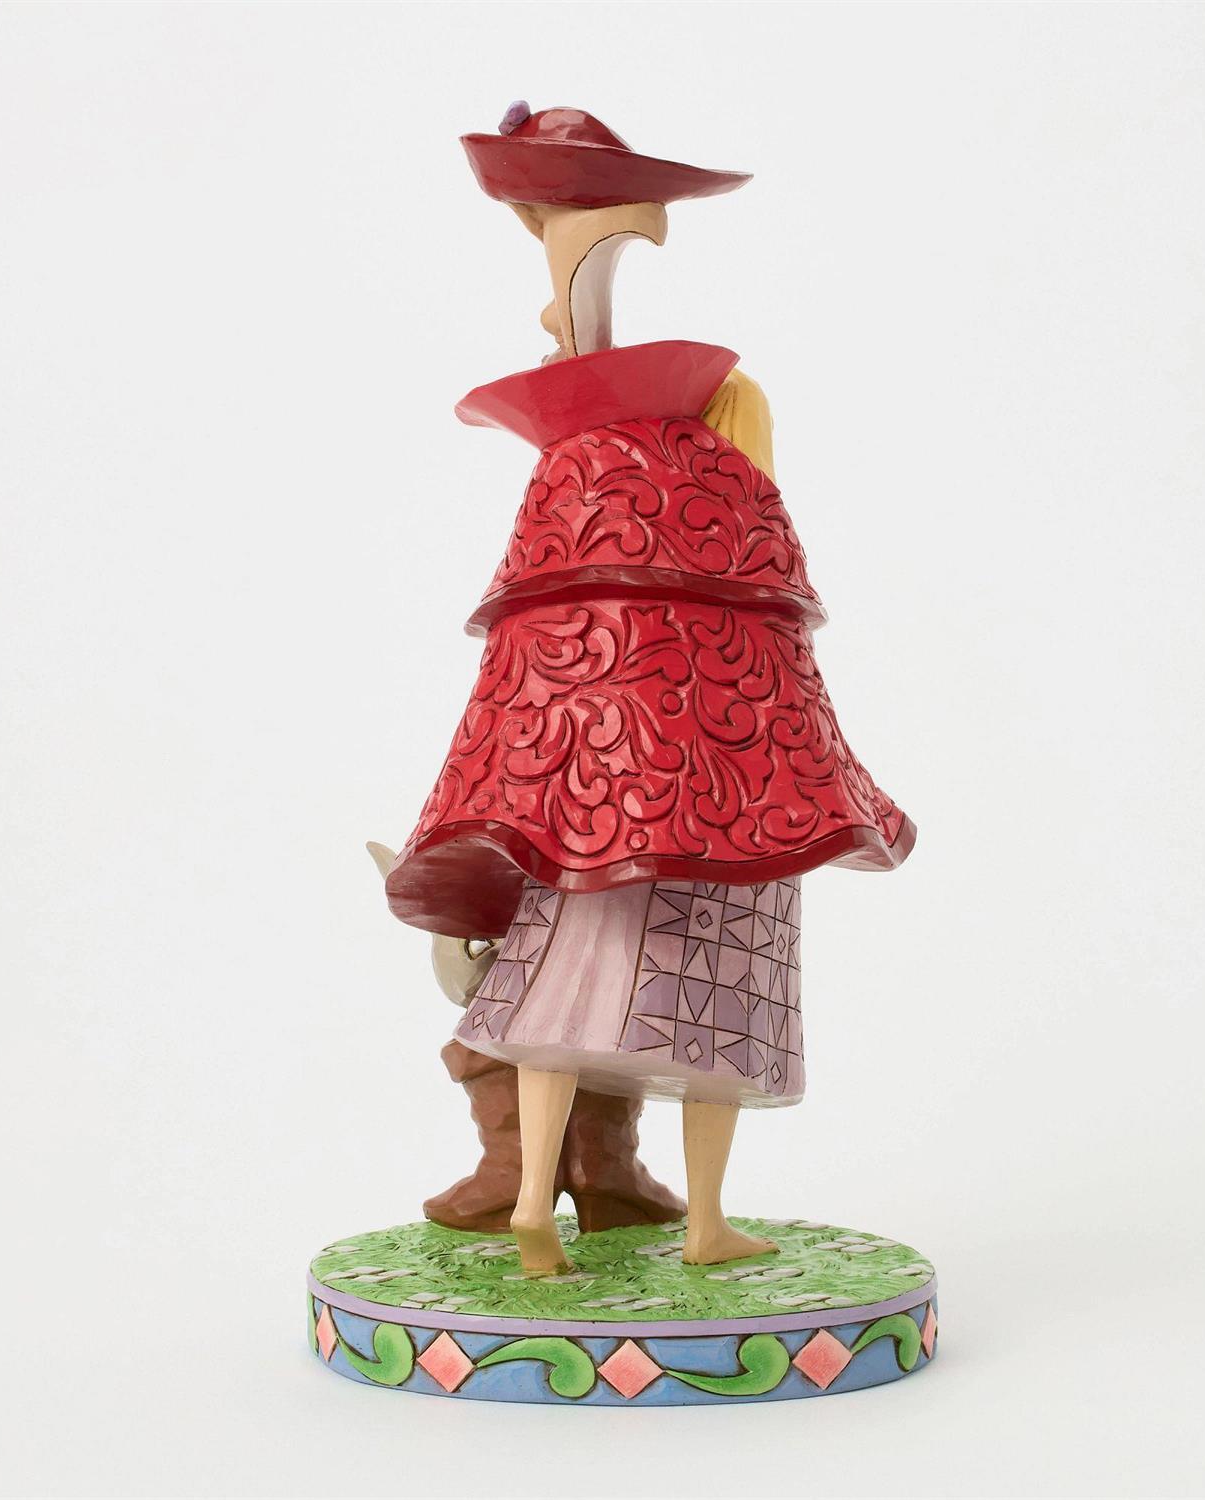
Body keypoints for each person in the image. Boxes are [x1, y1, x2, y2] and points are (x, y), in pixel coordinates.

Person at [386, 106, 914, 1274]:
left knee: (553, 1010)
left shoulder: (594, 475)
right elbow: (755, 652)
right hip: (716, 814)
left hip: (591, 807)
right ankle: (699, 1223)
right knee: (712, 1016)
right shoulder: (702, 487)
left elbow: (544, 658)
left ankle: (537, 1205)